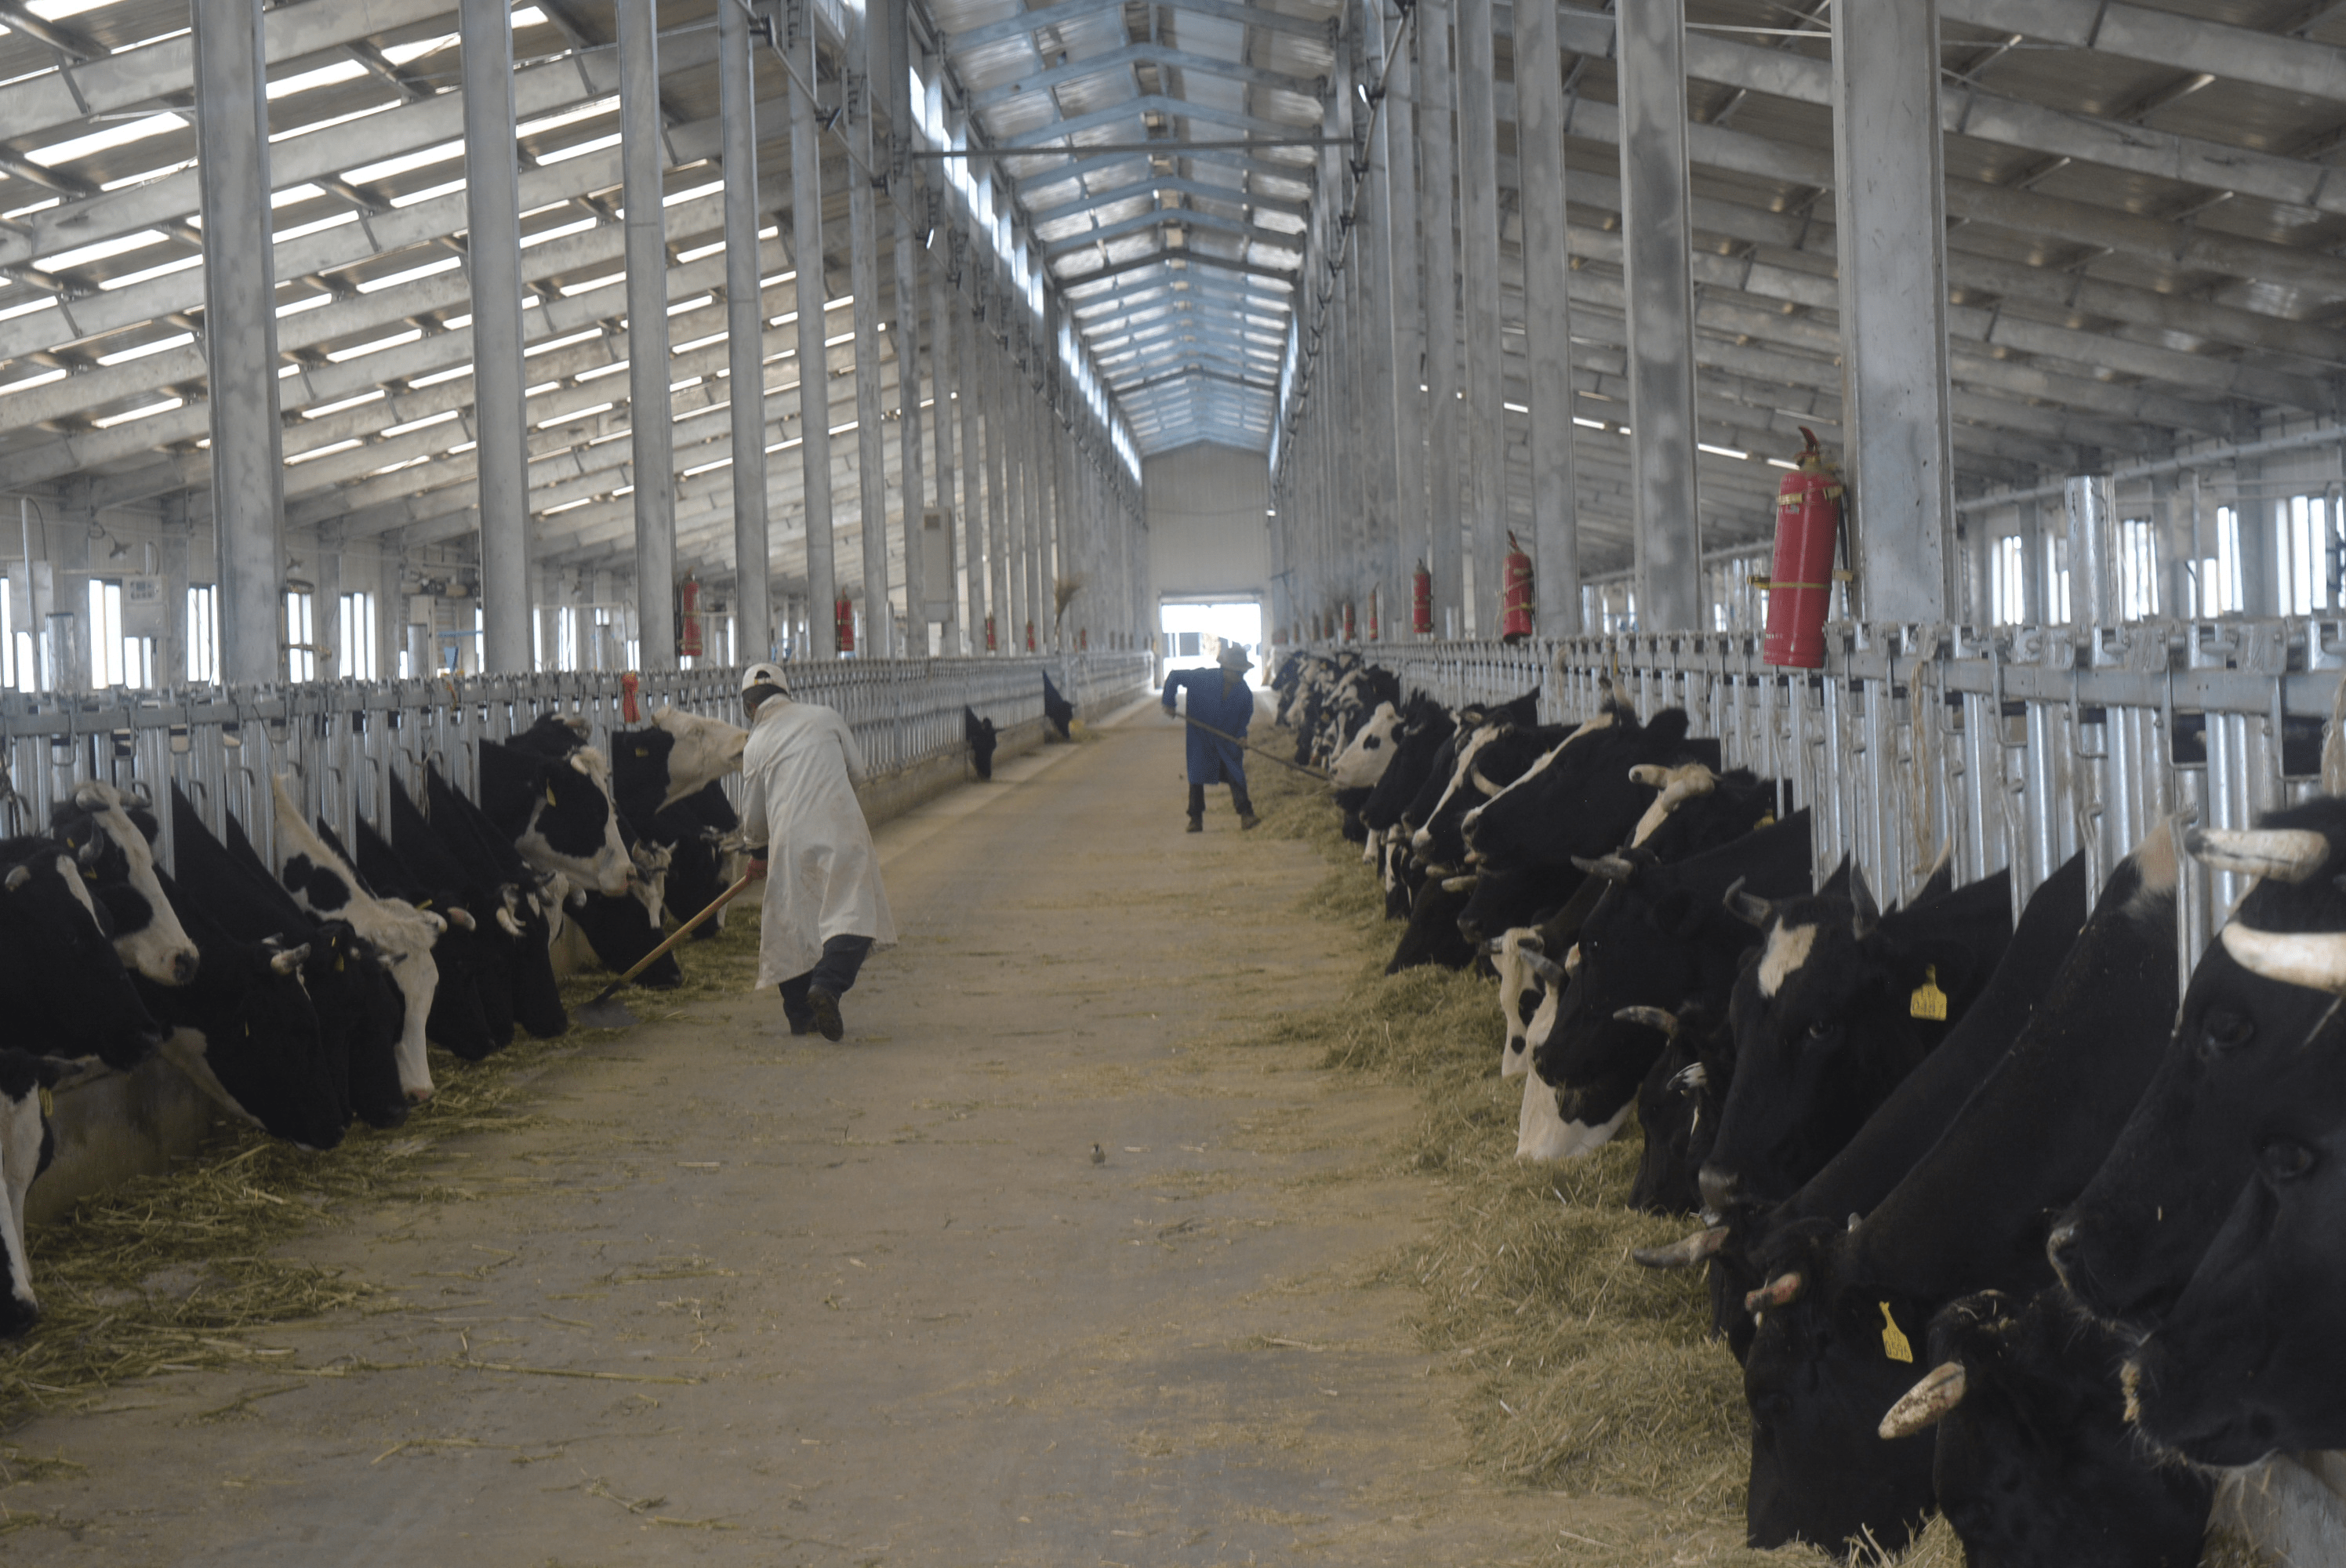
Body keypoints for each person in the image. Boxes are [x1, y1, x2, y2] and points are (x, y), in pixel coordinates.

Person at [736, 662, 896, 1040]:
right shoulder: (825, 717)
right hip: (840, 823)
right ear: (787, 693)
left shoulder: (755, 744)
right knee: (852, 912)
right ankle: (826, 985)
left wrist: (758, 852)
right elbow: (858, 773)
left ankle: (800, 1015)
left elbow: (754, 815)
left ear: (748, 708)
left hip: (789, 837)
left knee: (790, 923)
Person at [1162, 642, 1258, 833]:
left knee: (1235, 773)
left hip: (1227, 740)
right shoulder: (1203, 678)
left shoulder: (1244, 693)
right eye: (1236, 672)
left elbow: (1243, 720)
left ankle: (1246, 814)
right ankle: (1195, 819)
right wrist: (1169, 702)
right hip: (1201, 737)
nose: (1239, 677)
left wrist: (1242, 736)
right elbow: (1174, 676)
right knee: (1196, 776)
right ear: (1225, 669)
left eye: (1242, 673)